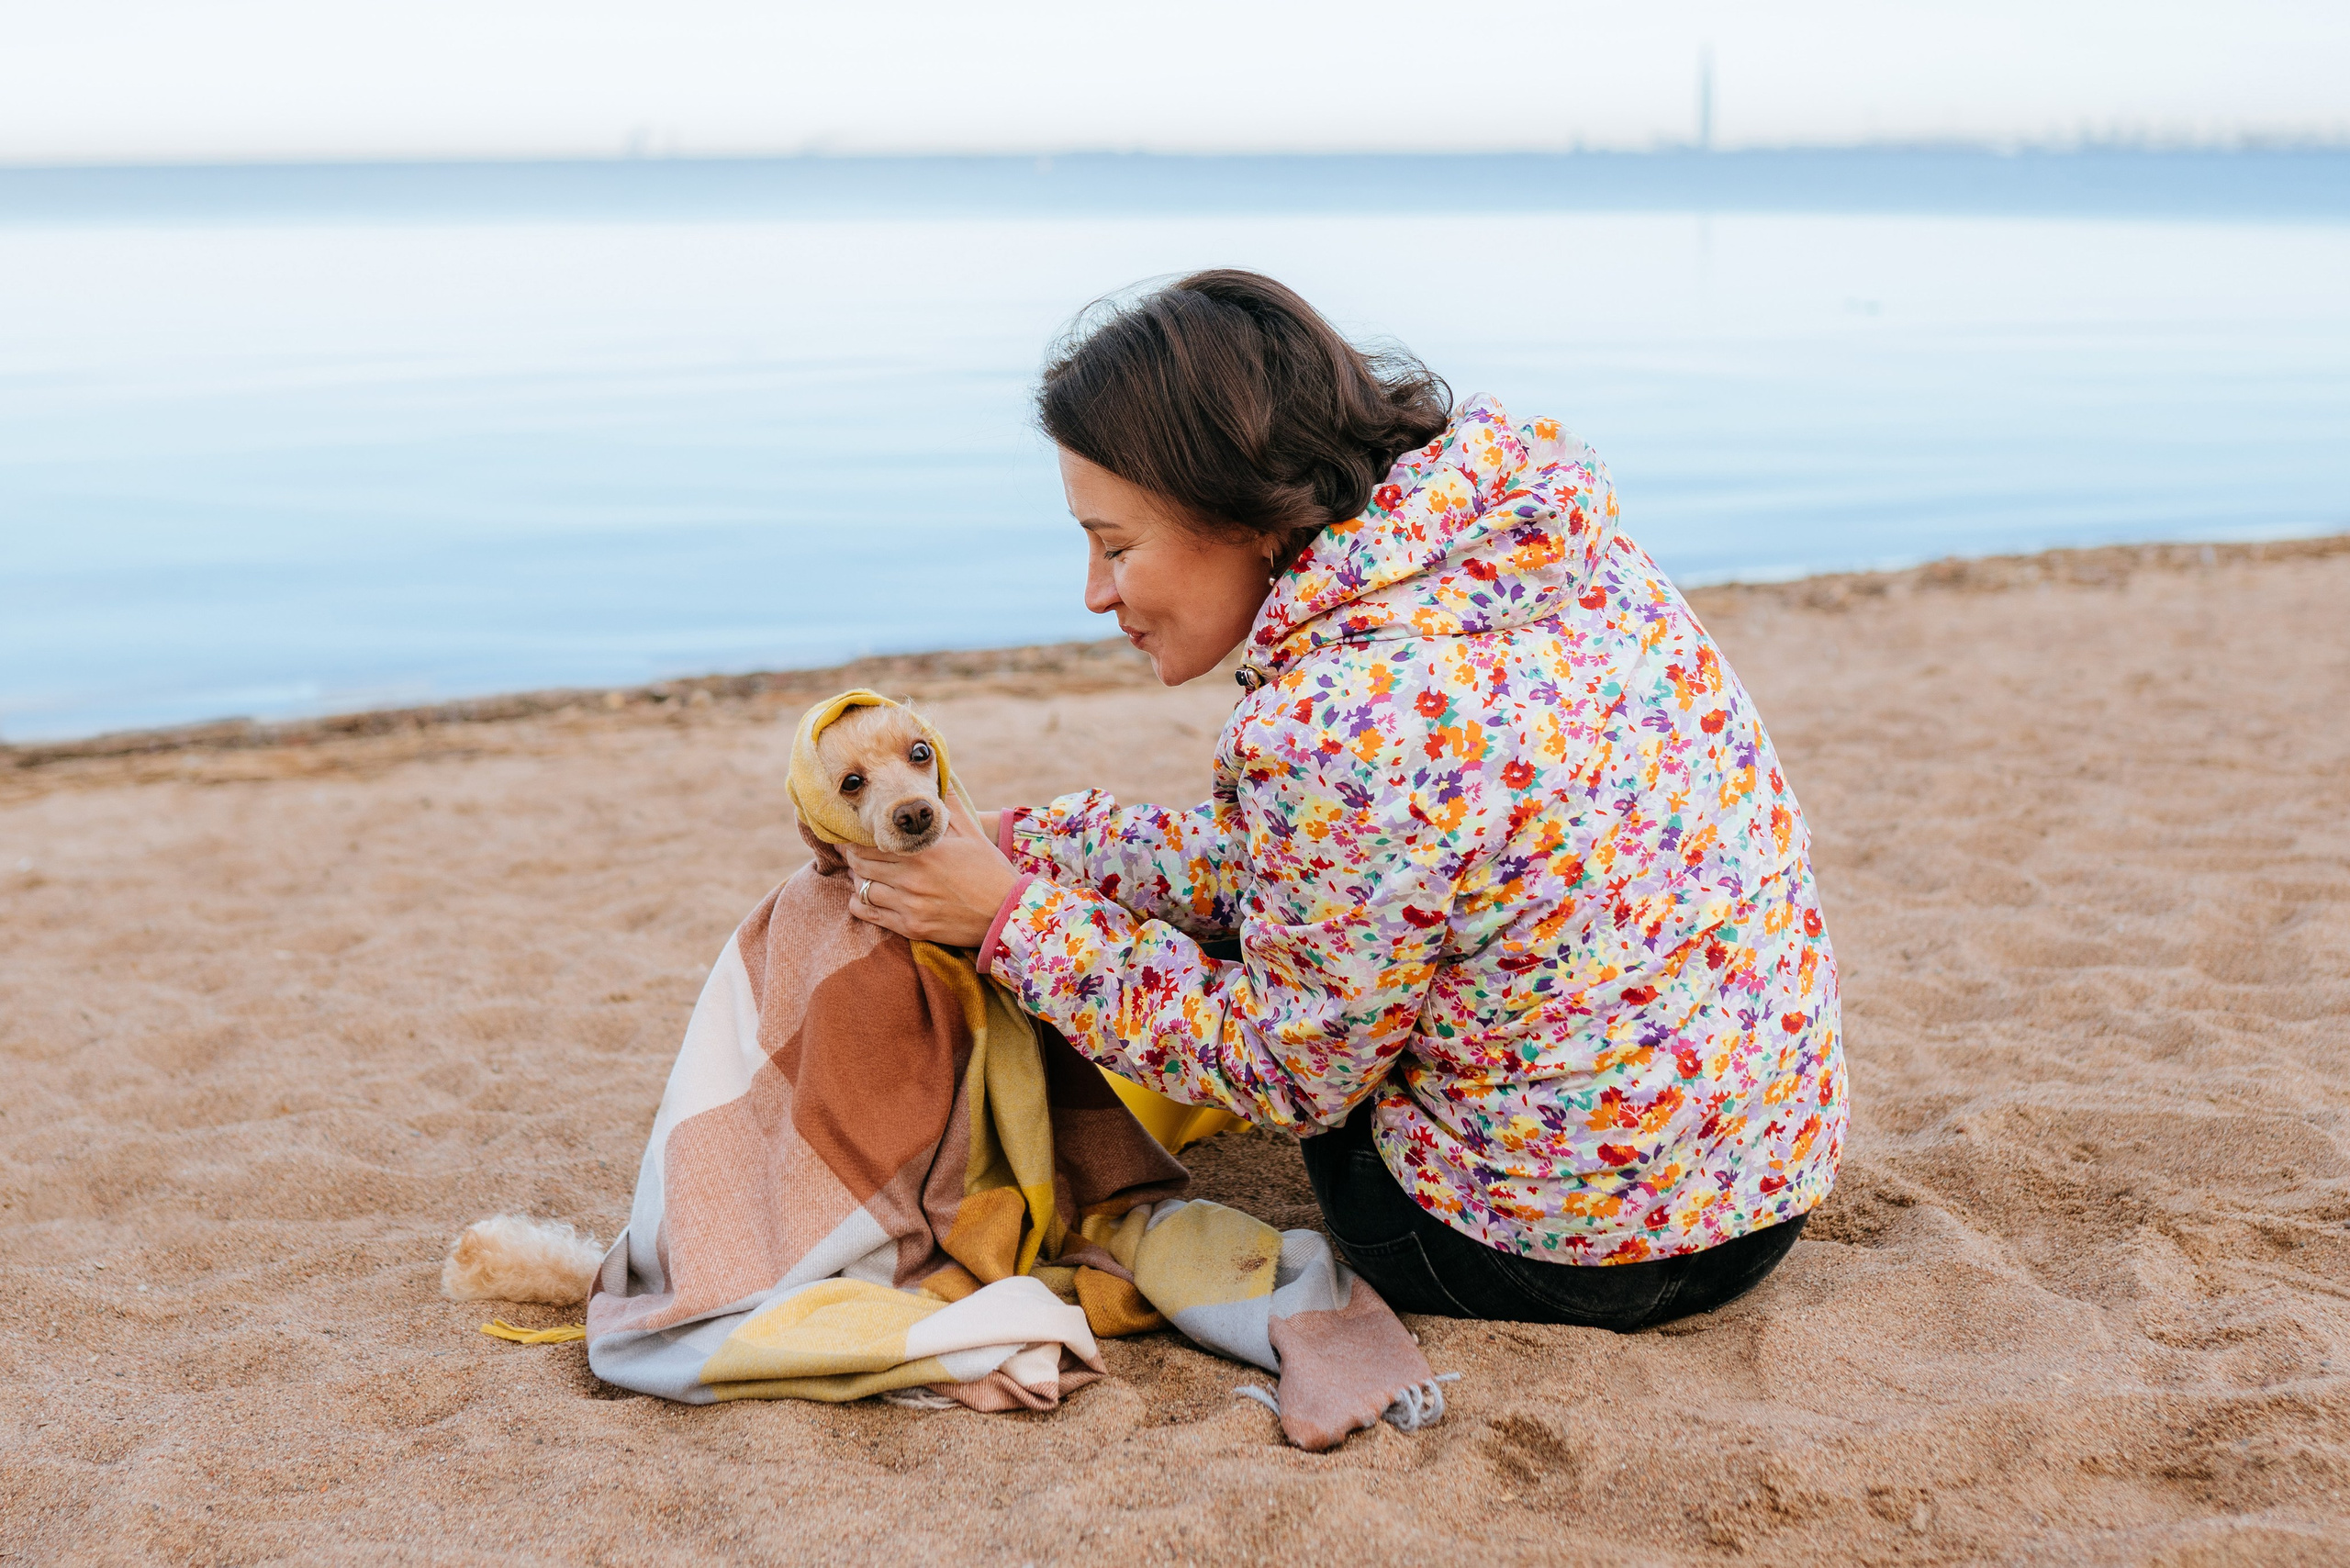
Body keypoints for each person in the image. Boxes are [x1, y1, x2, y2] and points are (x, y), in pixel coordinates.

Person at [844, 269, 1843, 1330]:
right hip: (1763, 1187)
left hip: (1556, 1253)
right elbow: (1353, 868)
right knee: (1314, 923)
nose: (1095, 592)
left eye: (1116, 544)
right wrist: (1037, 843)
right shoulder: (1545, 552)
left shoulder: (1335, 717)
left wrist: (1009, 922)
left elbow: (1291, 1069)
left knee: (1254, 980)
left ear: (1236, 508)